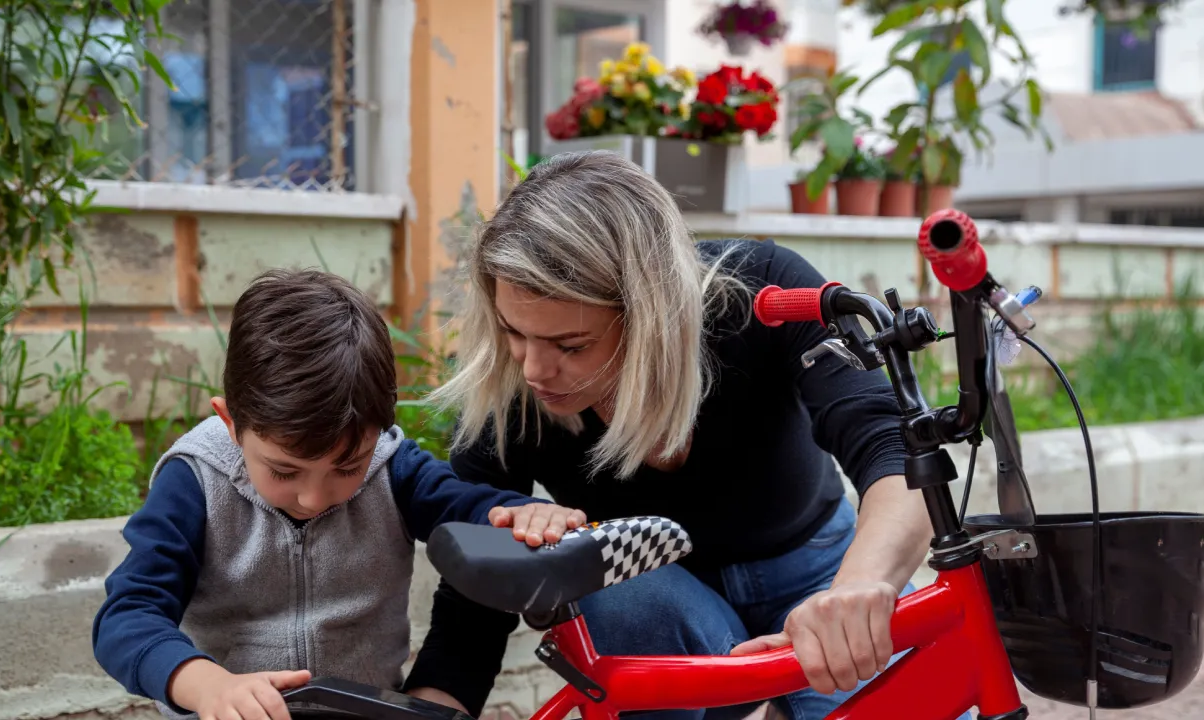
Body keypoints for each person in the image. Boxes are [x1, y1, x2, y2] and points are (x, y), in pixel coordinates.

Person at [399, 151, 954, 720]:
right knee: (620, 601)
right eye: (515, 332)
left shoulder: (762, 292)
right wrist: (430, 709)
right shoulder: (514, 386)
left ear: (651, 317)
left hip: (817, 573)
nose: (534, 369)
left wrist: (855, 593)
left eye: (570, 345)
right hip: (656, 606)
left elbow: (897, 447)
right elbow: (478, 589)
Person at [91, 268, 585, 720]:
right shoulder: (194, 482)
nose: (313, 496)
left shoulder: (394, 469)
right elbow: (128, 615)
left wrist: (528, 515)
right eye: (284, 471)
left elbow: (471, 506)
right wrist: (206, 686)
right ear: (231, 423)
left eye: (347, 466)